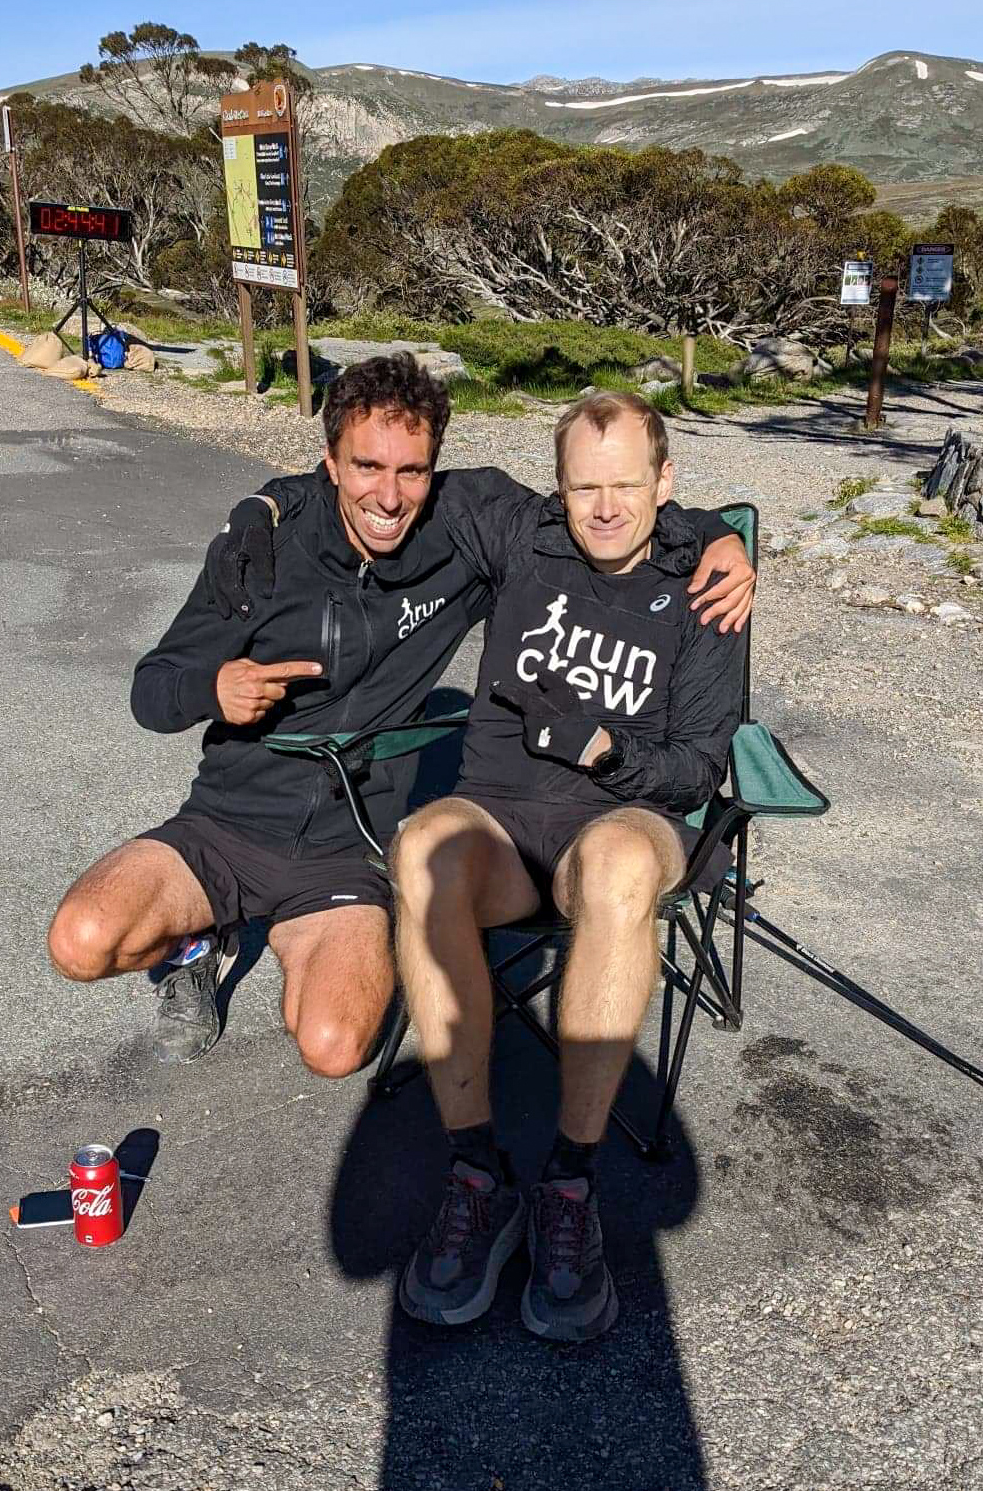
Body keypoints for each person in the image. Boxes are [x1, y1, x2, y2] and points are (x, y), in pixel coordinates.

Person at [48, 357, 754, 1080]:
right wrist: (212, 686)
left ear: (432, 471)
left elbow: (600, 508)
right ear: (330, 463)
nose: (388, 496)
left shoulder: (458, 533)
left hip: (351, 846)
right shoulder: (263, 550)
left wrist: (716, 535)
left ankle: (306, 932)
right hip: (225, 823)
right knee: (80, 942)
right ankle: (198, 941)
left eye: (411, 471)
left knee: (334, 1048)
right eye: (366, 466)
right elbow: (152, 691)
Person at [390, 391, 747, 1342]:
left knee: (623, 863)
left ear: (664, 482)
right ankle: (478, 1172)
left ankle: (570, 1184)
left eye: (626, 484)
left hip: (623, 820)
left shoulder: (705, 583)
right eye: (585, 487)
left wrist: (606, 752)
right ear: (558, 486)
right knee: (422, 846)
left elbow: (697, 766)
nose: (605, 507)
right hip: (502, 819)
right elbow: (385, 475)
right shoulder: (521, 532)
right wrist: (270, 508)